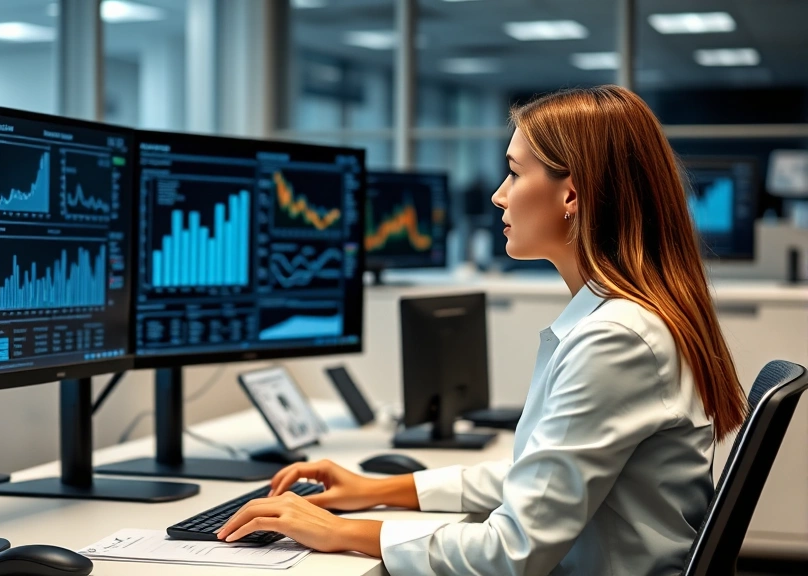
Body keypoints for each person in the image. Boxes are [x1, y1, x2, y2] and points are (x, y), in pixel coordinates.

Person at [217, 85, 748, 575]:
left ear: (571, 195)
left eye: (515, 173)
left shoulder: (617, 338)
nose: (499, 195)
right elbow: (536, 480)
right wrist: (379, 488)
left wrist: (344, 532)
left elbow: (512, 552)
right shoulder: (624, 319)